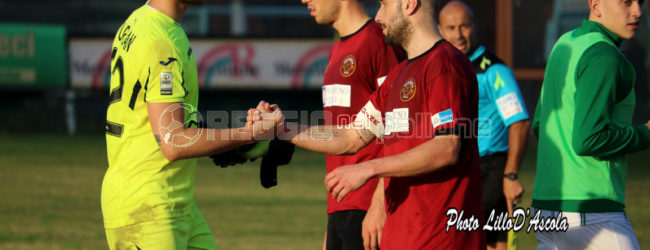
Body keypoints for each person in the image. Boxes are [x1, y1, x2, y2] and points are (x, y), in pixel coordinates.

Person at [250, 0, 485, 248]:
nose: (378, 16)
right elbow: (350, 136)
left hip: (442, 239)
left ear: (409, 4)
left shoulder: (445, 65)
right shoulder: (398, 76)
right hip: (402, 238)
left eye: (384, 5)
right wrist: (282, 128)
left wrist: (368, 169)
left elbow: (446, 148)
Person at [102, 0, 280, 249]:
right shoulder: (162, 43)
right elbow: (173, 142)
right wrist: (250, 134)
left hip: (175, 203)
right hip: (149, 209)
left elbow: (163, 119)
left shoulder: (142, 21)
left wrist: (233, 141)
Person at [532, 0, 650, 249]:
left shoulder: (564, 43)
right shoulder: (604, 55)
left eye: (640, 1)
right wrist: (645, 133)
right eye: (626, 2)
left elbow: (540, 125)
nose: (637, 11)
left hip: (546, 210)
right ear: (596, 5)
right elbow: (588, 139)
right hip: (593, 214)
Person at [299, 0, 404, 249]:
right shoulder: (337, 48)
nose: (305, 0)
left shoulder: (378, 40)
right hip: (341, 206)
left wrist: (379, 205)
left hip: (370, 207)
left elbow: (399, 125)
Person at [437, 2, 529, 249]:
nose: (459, 35)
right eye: (451, 27)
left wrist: (510, 175)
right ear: (440, 30)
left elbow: (519, 123)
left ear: (474, 26)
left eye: (465, 26)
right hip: (459, 169)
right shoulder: (442, 67)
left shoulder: (494, 70)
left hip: (491, 171)